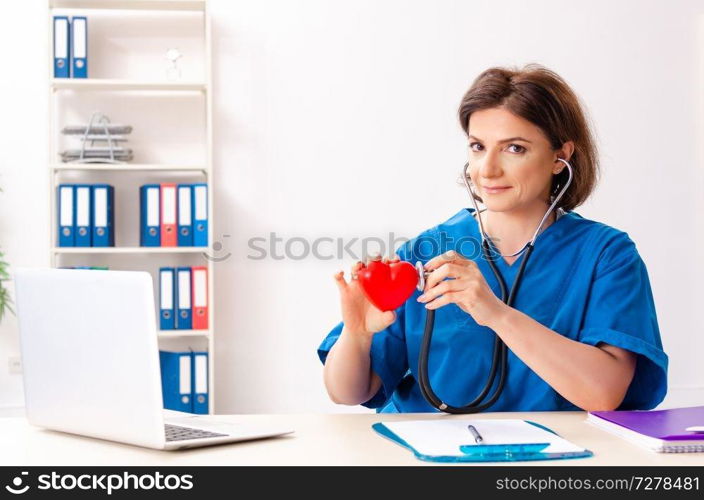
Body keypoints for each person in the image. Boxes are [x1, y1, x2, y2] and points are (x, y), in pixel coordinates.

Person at [317, 64, 668, 413]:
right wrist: (357, 334)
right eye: (478, 146)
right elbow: (349, 392)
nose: (487, 169)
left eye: (514, 148)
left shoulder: (606, 256)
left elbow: (604, 395)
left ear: (561, 157)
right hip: (425, 458)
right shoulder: (426, 253)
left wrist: (495, 313)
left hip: (548, 460)